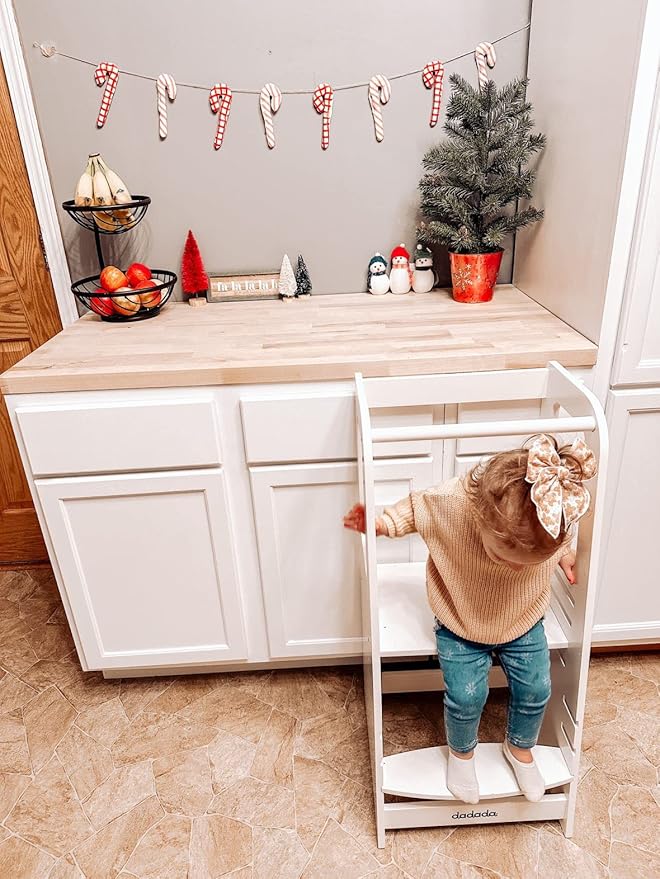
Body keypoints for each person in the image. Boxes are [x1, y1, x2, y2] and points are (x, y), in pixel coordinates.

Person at [343, 434, 596, 804]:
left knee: (537, 689)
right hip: (460, 616)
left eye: (527, 563)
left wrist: (563, 555)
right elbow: (415, 510)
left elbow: (560, 534)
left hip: (522, 617)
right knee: (466, 695)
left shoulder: (553, 505)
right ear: (479, 520)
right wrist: (380, 523)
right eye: (506, 557)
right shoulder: (453, 503)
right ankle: (462, 756)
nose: (514, 568)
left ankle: (520, 749)